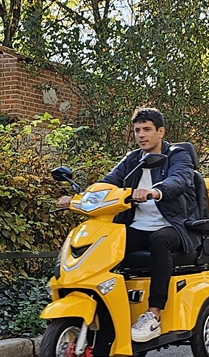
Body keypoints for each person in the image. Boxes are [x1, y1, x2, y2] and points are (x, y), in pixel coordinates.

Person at [57, 107, 200, 342]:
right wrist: (79, 197)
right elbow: (107, 183)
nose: (141, 135)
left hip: (175, 227)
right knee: (104, 239)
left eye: (147, 129)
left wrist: (156, 191)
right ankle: (103, 304)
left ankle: (153, 314)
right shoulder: (132, 159)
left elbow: (180, 179)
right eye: (137, 130)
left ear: (160, 132)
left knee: (160, 239)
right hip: (138, 228)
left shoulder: (177, 155)